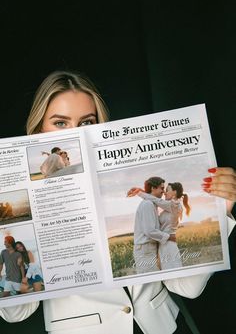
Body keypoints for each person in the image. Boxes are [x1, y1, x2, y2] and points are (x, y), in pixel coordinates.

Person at [0, 70, 235, 334]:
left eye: (87, 122)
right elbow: (16, 313)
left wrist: (220, 211)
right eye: (61, 123)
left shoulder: (132, 186)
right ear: (37, 131)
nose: (76, 132)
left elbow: (187, 288)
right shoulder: (22, 201)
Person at [129, 181, 191, 270]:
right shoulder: (169, 207)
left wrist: (139, 192)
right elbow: (155, 200)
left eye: (167, 190)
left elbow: (156, 200)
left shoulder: (175, 205)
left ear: (175, 192)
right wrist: (144, 191)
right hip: (164, 244)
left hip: (168, 244)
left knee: (172, 272)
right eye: (163, 190)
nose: (164, 192)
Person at [132, 177, 177, 273]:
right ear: (153, 188)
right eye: (161, 188)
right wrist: (169, 237)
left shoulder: (152, 204)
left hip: (149, 248)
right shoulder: (147, 204)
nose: (163, 191)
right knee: (150, 279)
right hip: (145, 249)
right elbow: (150, 231)